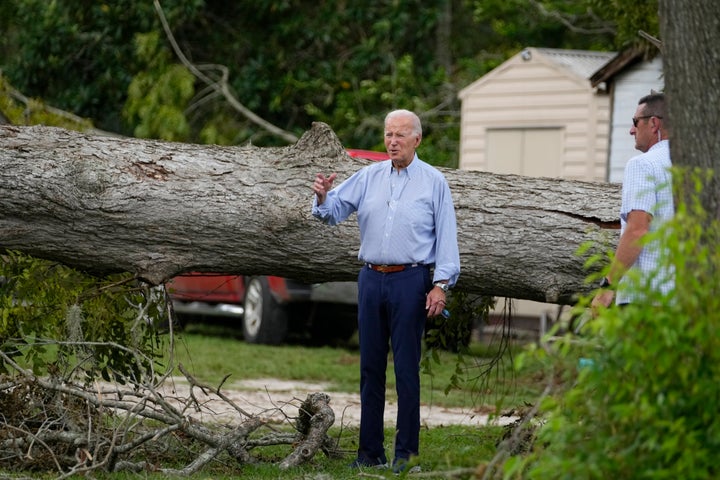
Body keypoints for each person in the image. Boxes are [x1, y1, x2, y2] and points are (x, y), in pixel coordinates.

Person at [311, 109, 460, 472]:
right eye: (388, 134)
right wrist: (322, 196)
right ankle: (370, 455)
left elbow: (447, 240)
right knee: (370, 369)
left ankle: (406, 457)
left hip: (410, 281)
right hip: (371, 279)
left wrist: (440, 285)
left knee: (406, 371)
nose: (392, 141)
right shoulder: (369, 176)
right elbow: (331, 213)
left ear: (417, 140)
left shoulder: (434, 182)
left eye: (400, 135)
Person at [591, 92, 674, 315]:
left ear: (654, 123)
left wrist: (608, 287)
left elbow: (637, 230)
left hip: (645, 297)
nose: (631, 130)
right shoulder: (697, 166)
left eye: (635, 122)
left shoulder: (642, 165)